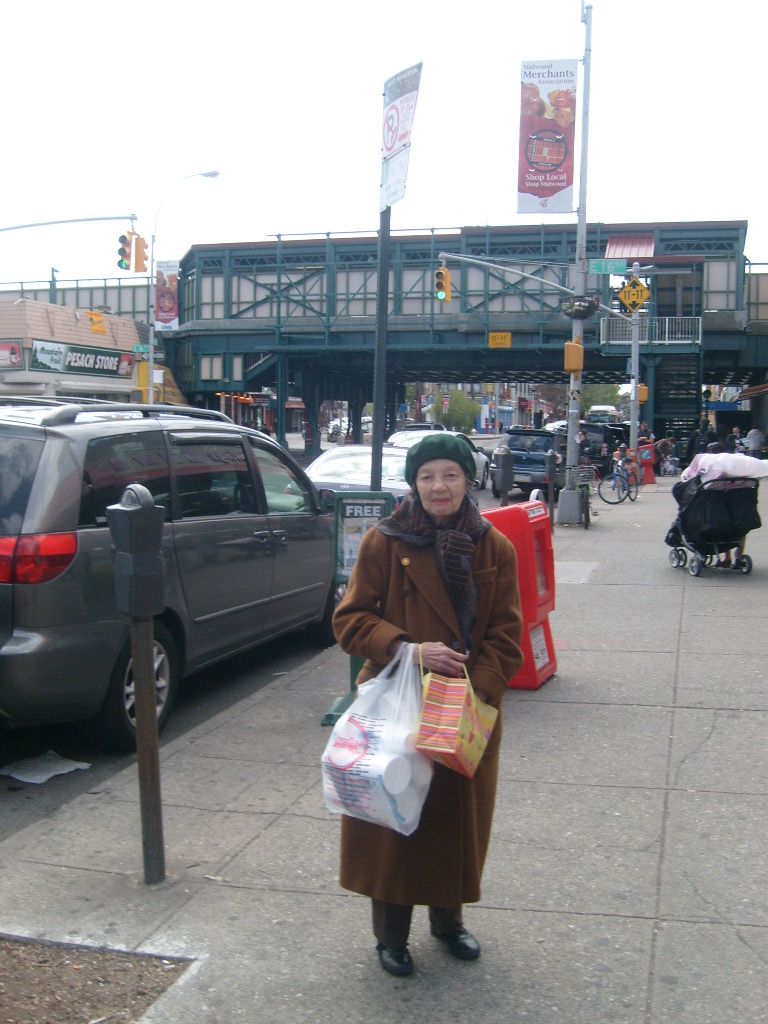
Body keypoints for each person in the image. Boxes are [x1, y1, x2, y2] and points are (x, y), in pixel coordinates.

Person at [332, 433, 523, 977]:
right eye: (427, 476)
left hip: (464, 706)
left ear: (468, 480)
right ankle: (390, 936)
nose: (439, 486)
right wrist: (409, 649)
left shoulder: (494, 546)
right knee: (392, 824)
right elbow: (349, 621)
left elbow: (507, 632)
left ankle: (449, 922)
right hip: (397, 705)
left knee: (455, 824)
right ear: (413, 484)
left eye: (450, 475)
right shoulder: (384, 542)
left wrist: (476, 693)